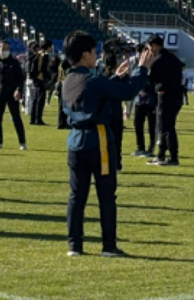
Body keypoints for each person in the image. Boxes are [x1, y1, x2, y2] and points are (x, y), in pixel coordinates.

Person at [63, 31, 153, 257]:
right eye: (94, 52)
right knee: (106, 195)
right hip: (99, 140)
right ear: (85, 55)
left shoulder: (67, 81)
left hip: (75, 142)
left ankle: (75, 245)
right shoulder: (94, 80)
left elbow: (91, 97)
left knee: (77, 195)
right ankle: (108, 246)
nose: (96, 56)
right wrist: (142, 69)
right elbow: (128, 92)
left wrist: (112, 80)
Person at [0, 39, 27, 150]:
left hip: (13, 94)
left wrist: (19, 90)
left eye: (7, 49)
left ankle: (22, 143)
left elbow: (20, 79)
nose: (5, 51)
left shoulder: (14, 63)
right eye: (3, 49)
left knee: (17, 118)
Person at [146, 34, 183, 166]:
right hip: (177, 95)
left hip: (165, 95)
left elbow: (150, 79)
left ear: (155, 46)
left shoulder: (158, 60)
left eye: (150, 48)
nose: (149, 50)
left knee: (166, 127)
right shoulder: (173, 58)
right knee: (165, 125)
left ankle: (173, 156)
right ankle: (161, 154)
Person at [29, 40, 53, 125]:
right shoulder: (45, 55)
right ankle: (38, 119)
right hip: (41, 78)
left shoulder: (37, 54)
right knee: (41, 99)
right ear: (48, 47)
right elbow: (44, 68)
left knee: (35, 99)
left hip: (35, 78)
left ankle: (32, 118)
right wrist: (49, 77)